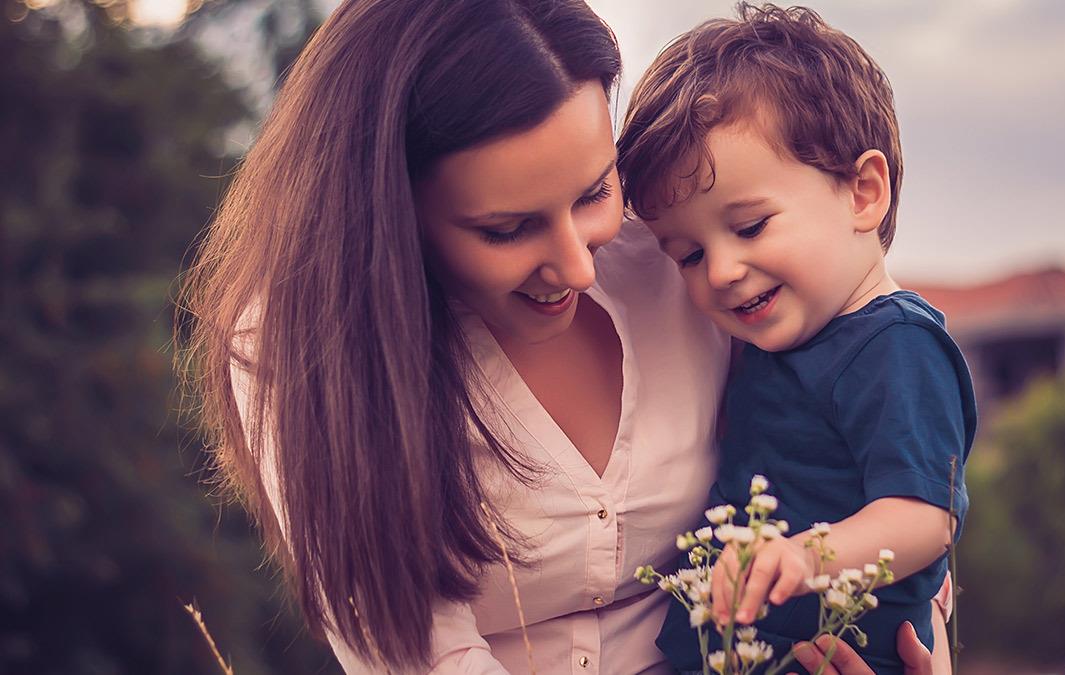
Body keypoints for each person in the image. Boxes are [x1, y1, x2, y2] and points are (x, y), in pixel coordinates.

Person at [178, 0, 952, 672]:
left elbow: (877, 468)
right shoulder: (297, 351)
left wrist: (923, 644)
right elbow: (416, 653)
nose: (580, 265)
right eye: (507, 227)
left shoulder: (685, 251)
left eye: (595, 192)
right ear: (391, 214)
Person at [616, 5, 975, 674]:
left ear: (863, 193)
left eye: (749, 227)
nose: (721, 270)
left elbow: (927, 516)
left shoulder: (897, 343)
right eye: (689, 254)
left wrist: (806, 555)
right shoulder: (779, 342)